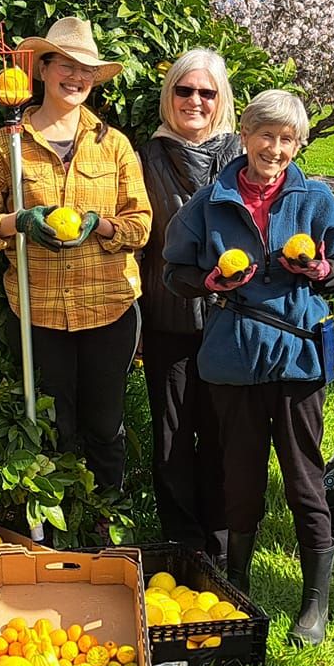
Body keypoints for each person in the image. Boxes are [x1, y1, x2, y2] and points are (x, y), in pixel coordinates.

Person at [163, 90, 334, 642]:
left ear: (298, 145)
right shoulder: (210, 201)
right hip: (235, 357)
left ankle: (314, 603)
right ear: (244, 136)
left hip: (296, 357)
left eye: (286, 138)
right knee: (239, 479)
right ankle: (238, 585)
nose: (274, 148)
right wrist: (209, 282)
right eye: (265, 135)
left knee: (303, 478)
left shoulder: (315, 200)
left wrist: (320, 272)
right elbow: (176, 270)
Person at [0, 17, 152, 522]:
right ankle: (52, 524)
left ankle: (107, 520)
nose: (77, 76)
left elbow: (142, 225)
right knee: (53, 423)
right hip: (38, 309)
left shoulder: (113, 144)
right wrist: (16, 222)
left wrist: (101, 227)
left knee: (105, 424)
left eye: (87, 68)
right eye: (66, 65)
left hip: (109, 308)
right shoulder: (8, 144)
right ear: (43, 68)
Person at [137, 49, 244, 559]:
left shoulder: (242, 159)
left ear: (221, 99)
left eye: (207, 92)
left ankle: (219, 546)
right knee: (173, 436)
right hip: (168, 315)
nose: (195, 101)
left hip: (230, 320)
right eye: (185, 90)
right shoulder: (146, 157)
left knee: (223, 434)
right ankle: (182, 543)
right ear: (170, 95)